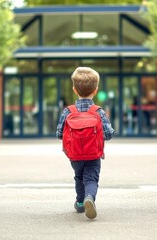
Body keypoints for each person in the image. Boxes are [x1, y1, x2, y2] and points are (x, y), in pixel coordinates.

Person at [56, 67, 115, 219]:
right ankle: (89, 197)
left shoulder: (68, 111)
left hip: (74, 155)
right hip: (93, 154)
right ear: (95, 90)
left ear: (74, 89)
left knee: (79, 177)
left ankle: (80, 203)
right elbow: (108, 134)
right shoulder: (98, 111)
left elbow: (59, 134)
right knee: (91, 178)